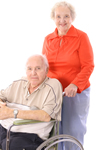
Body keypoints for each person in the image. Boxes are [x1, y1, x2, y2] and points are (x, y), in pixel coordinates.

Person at [42, 1, 94, 149]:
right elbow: (44, 66)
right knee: (54, 131)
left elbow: (88, 66)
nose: (62, 20)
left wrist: (75, 84)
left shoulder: (81, 37)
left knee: (73, 131)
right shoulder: (48, 39)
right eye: (58, 16)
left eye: (66, 16)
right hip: (53, 92)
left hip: (74, 92)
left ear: (72, 18)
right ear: (53, 17)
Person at [0, 54, 63, 150]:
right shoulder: (19, 82)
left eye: (38, 68)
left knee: (10, 145)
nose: (33, 73)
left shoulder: (53, 85)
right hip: (3, 129)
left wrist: (11, 113)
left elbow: (46, 116)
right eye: (29, 69)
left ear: (46, 70)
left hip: (29, 136)